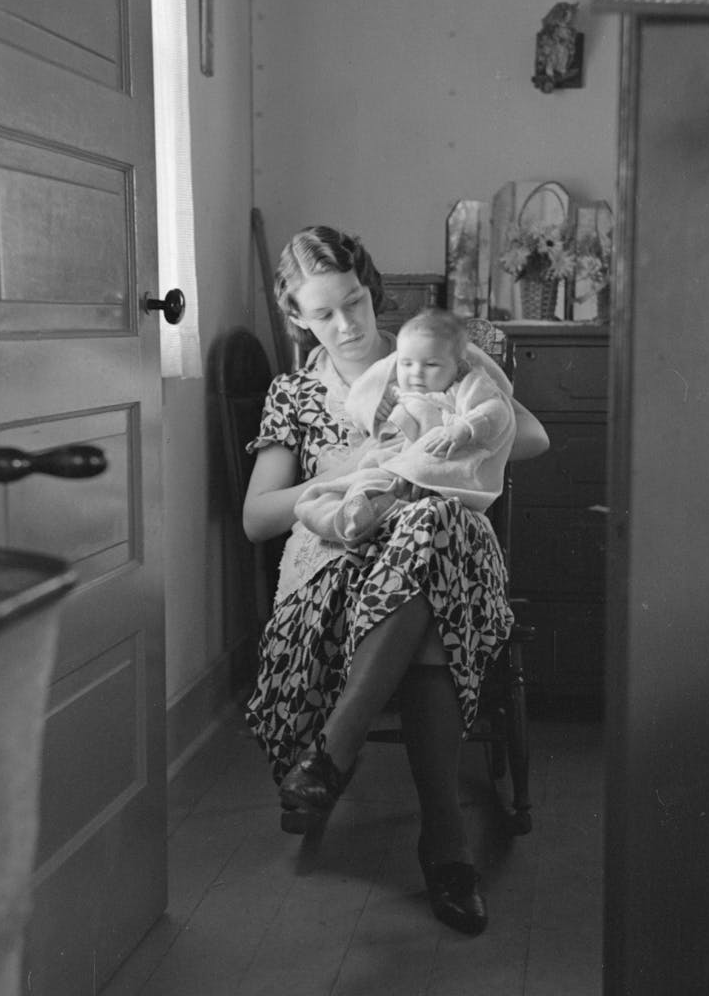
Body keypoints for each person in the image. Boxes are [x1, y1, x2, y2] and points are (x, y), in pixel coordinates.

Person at [243, 226, 549, 937]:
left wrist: (444, 437)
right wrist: (357, 471)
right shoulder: (294, 392)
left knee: (429, 529)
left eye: (354, 301)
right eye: (324, 313)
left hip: (441, 545)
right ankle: (446, 848)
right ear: (298, 317)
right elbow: (259, 517)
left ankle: (334, 750)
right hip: (341, 564)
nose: (347, 324)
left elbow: (528, 437)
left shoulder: (429, 354)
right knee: (426, 581)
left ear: (369, 287)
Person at [294, 307, 517, 546]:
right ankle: (345, 516)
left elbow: (496, 409)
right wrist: (374, 409)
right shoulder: (394, 391)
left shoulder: (464, 385)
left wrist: (464, 428)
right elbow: (361, 400)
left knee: (424, 468)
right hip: (392, 461)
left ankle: (384, 504)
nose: (416, 373)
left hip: (437, 458)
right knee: (354, 485)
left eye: (431, 365)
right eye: (406, 363)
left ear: (458, 367)